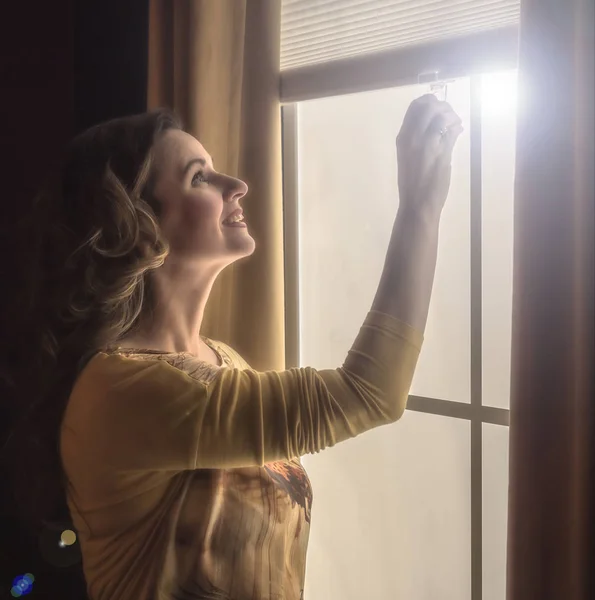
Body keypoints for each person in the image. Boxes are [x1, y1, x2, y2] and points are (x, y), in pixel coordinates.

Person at [3, 95, 462, 600]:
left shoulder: (224, 361)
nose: (237, 186)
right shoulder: (117, 390)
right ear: (137, 224)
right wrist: (420, 208)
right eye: (200, 177)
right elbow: (369, 392)